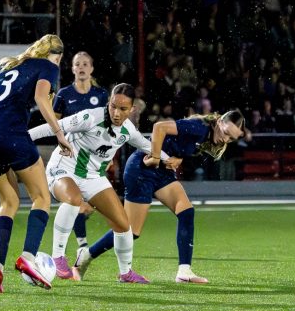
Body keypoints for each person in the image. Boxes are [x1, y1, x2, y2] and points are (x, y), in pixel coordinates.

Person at [29, 83, 180, 283]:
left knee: (123, 225)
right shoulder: (90, 117)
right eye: (113, 106)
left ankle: (126, 273)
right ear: (108, 103)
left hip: (93, 177)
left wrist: (168, 159)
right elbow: (54, 126)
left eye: (123, 109)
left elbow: (146, 145)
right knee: (73, 199)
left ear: (132, 109)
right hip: (64, 168)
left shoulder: (127, 130)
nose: (116, 113)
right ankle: (58, 257)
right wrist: (21, 140)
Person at [0, 34, 73, 292]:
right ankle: (28, 258)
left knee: (9, 202)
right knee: (41, 198)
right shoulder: (48, 66)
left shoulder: (9, 64)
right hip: (11, 134)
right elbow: (41, 99)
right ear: (56, 56)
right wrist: (59, 135)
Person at [78, 110, 245, 283]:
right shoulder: (199, 127)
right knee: (131, 231)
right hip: (141, 169)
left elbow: (179, 146)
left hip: (162, 172)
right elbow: (159, 127)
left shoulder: (207, 135)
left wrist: (178, 159)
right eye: (226, 133)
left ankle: (184, 271)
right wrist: (156, 157)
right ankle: (87, 255)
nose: (226, 139)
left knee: (186, 212)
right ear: (219, 122)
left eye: (231, 138)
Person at [52, 51, 110, 259]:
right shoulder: (64, 94)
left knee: (90, 206)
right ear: (73, 69)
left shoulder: (101, 95)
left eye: (85, 64)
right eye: (78, 64)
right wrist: (62, 142)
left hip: (95, 157)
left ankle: (72, 230)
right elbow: (54, 122)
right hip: (72, 155)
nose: (81, 67)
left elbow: (108, 125)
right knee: (77, 203)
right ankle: (81, 245)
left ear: (91, 68)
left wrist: (108, 155)